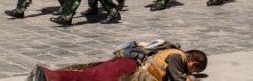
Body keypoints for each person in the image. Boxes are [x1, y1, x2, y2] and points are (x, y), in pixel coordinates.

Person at [25, 39, 207, 81]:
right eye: (193, 70)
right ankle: (46, 75)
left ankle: (48, 75)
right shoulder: (178, 55)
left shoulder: (167, 49)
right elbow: (178, 78)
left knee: (88, 73)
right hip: (129, 67)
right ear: (194, 63)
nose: (190, 72)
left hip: (126, 63)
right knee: (90, 77)